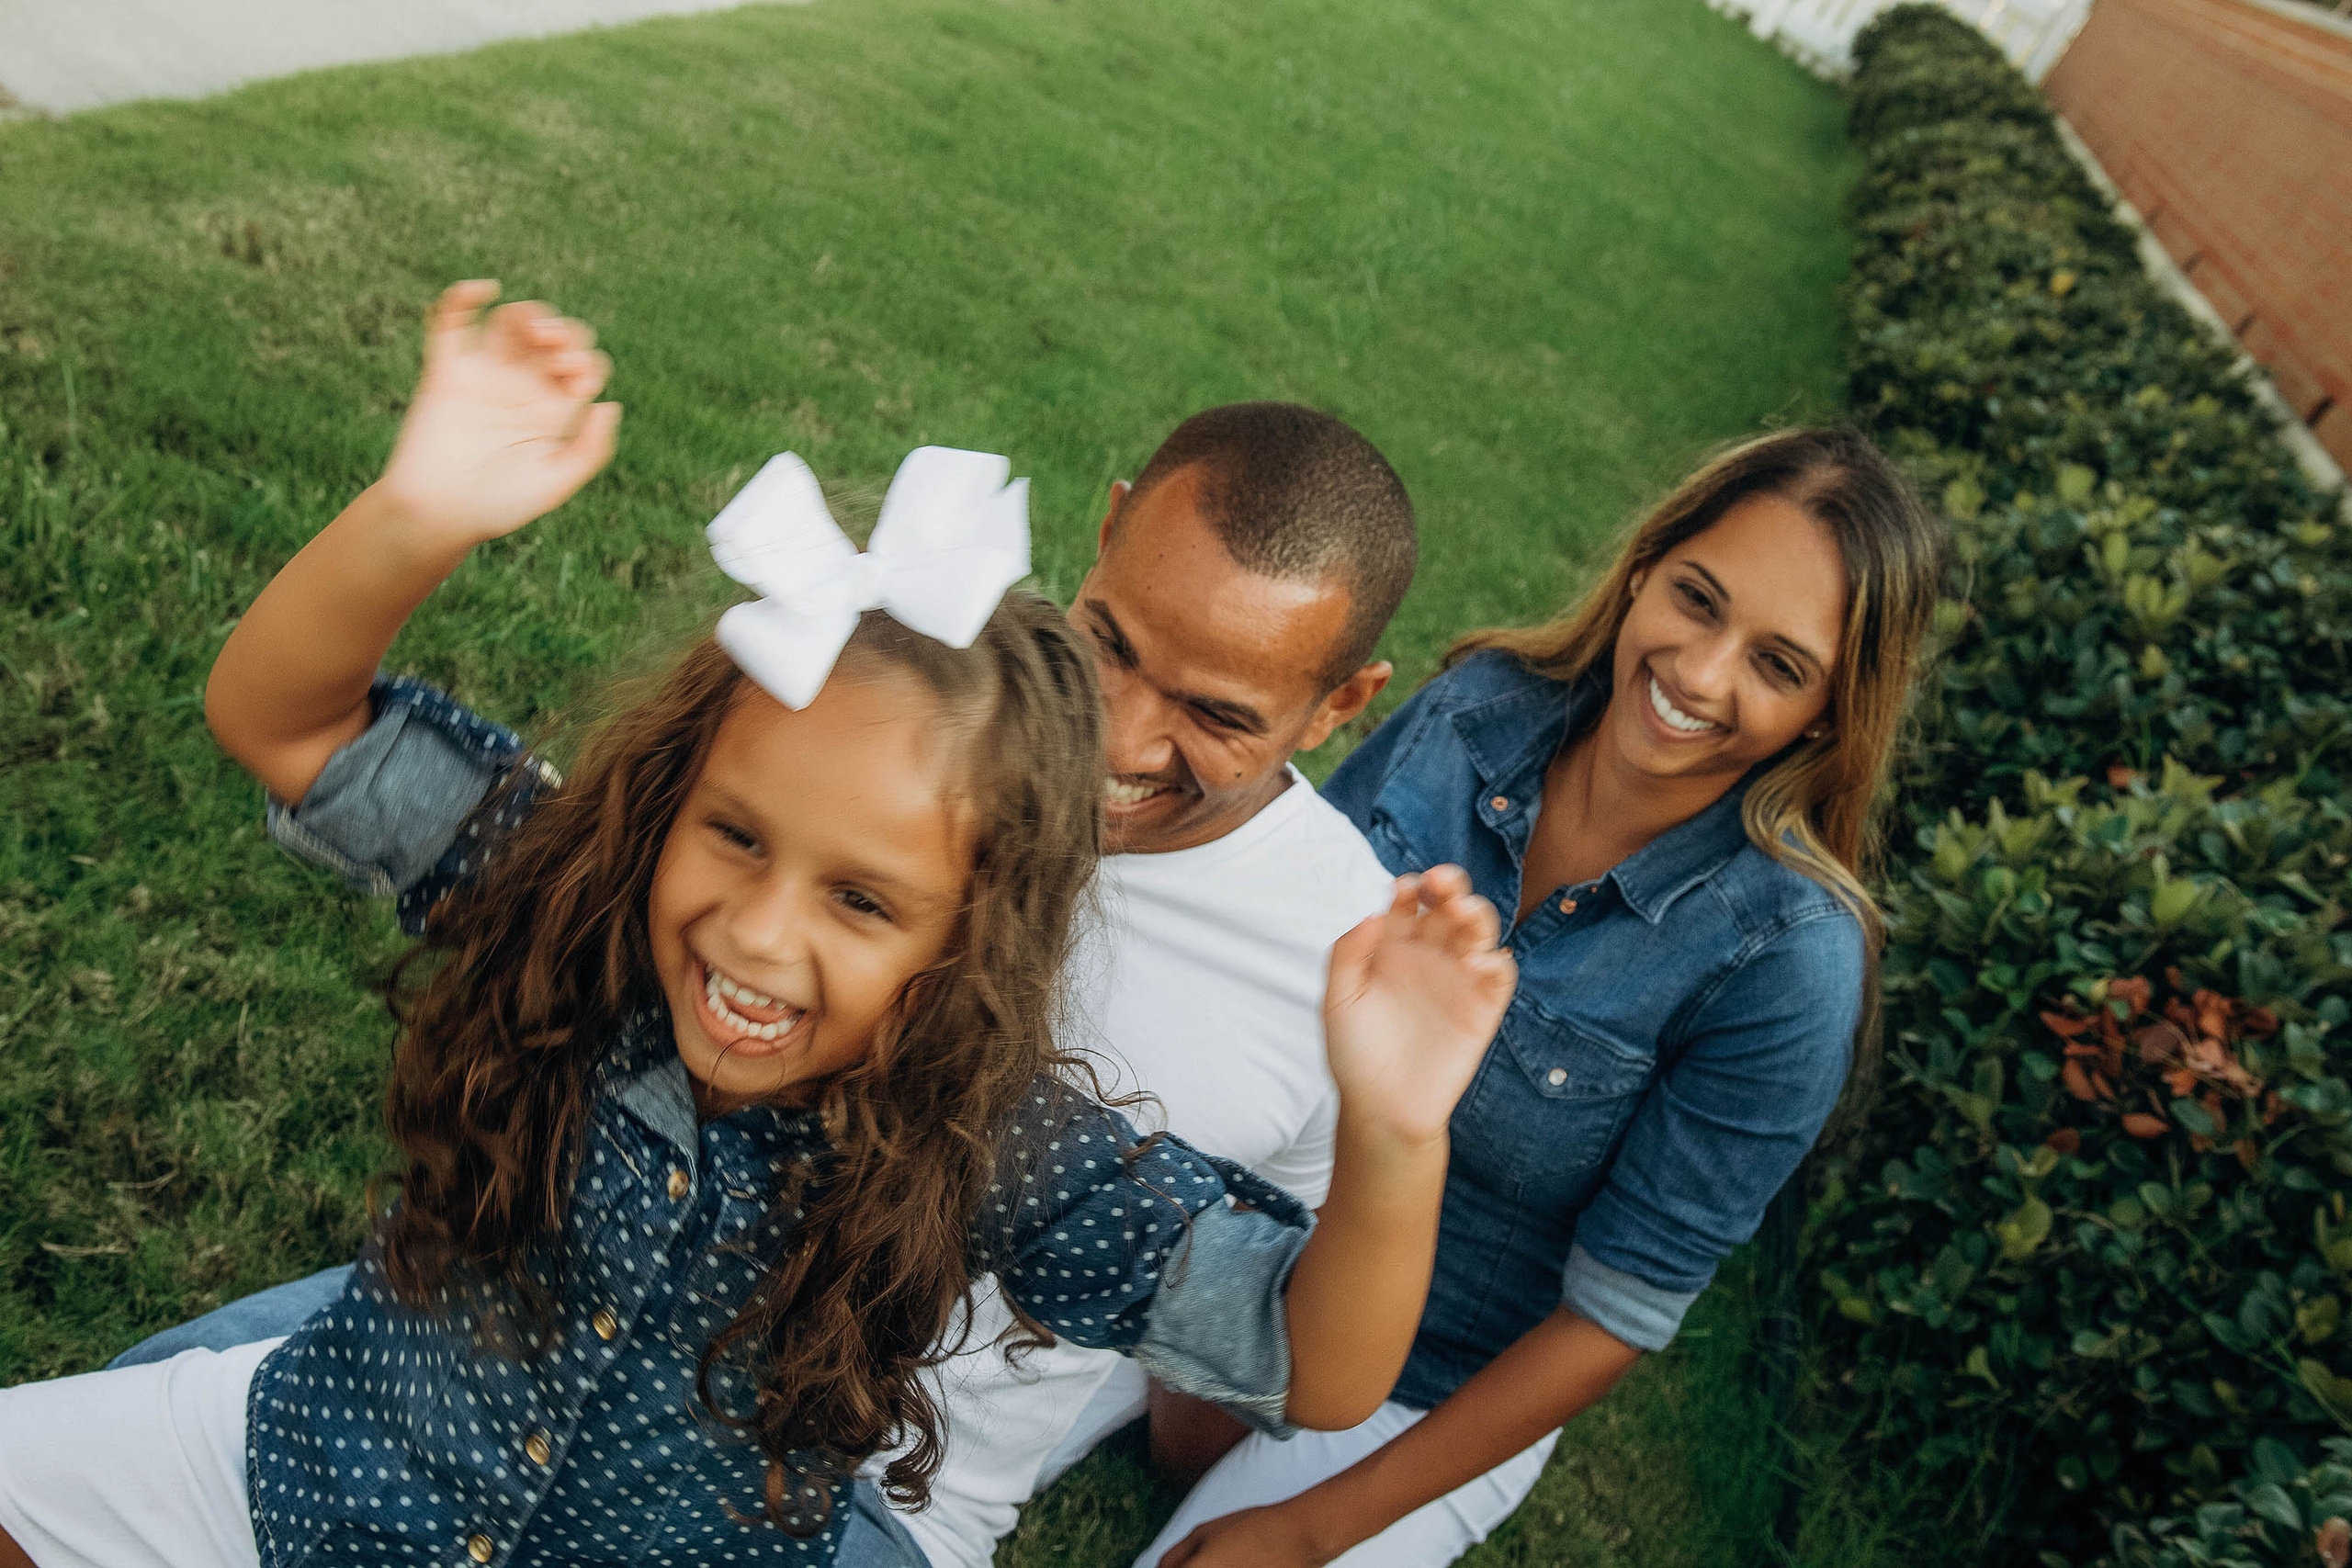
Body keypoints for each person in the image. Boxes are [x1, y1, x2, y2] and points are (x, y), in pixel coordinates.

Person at [0, 283, 1519, 1568]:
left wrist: (1397, 1131)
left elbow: (1318, 1368)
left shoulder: (997, 1137)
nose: (755, 931)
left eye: (862, 899)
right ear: (671, 797)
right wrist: (416, 516)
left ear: (969, 943)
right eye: (733, 834)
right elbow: (279, 718)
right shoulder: (586, 905)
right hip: (326, 1461)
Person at [1136, 428, 1946, 1566]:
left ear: (1828, 711)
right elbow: (1271, 917)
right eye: (1698, 600)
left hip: (1422, 1381)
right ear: (1644, 569)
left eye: (1778, 664)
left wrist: (1308, 1527)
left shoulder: (1786, 965)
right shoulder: (1481, 709)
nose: (1700, 675)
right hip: (1226, 1220)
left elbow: (1611, 1317)